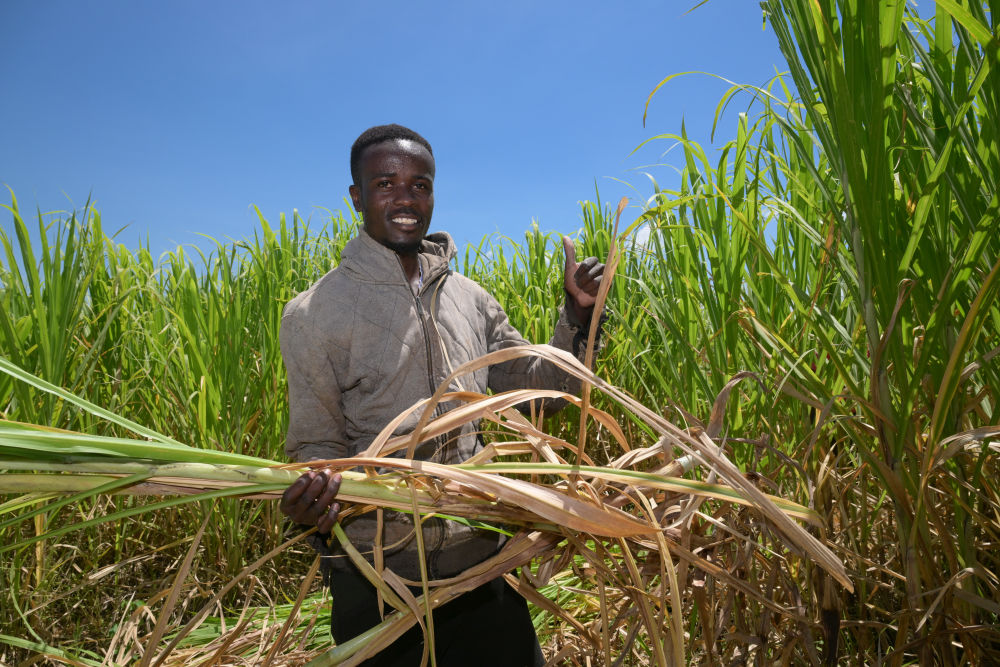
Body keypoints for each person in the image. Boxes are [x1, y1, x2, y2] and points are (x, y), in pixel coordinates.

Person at [278, 123, 605, 666]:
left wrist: (576, 318)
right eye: (385, 184)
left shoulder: (471, 300)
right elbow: (315, 446)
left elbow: (542, 392)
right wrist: (312, 500)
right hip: (379, 579)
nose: (405, 198)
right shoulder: (313, 314)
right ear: (357, 196)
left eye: (420, 185)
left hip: (479, 564)